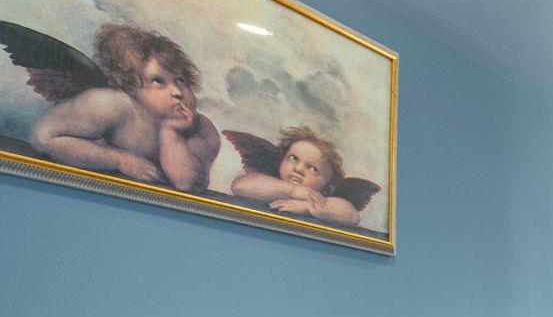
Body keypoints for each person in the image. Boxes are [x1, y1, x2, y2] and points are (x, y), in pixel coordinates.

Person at [26, 24, 221, 191]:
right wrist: (120, 159)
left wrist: (171, 133)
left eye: (181, 80)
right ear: (129, 86)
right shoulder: (109, 104)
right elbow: (43, 137)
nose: (177, 91)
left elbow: (189, 184)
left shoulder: (200, 128)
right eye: (157, 81)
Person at [229, 126, 364, 226]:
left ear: (328, 187)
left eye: (313, 169)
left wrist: (307, 208)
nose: (298, 169)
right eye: (293, 158)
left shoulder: (326, 199)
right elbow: (240, 186)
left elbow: (352, 216)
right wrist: (292, 190)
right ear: (281, 161)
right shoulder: (267, 181)